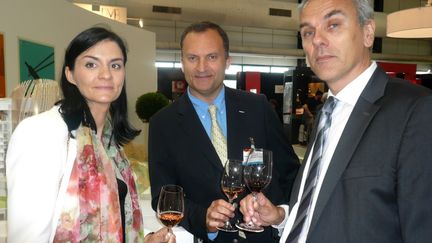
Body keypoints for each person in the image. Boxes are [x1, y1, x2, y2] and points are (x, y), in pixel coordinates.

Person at [239, 0, 432, 242]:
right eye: (308, 32)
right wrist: (280, 216)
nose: (317, 40)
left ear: (368, 33)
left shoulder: (415, 109)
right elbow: (323, 206)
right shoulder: (327, 111)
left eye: (333, 25)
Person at [6, 27, 175, 243]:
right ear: (70, 74)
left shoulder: (109, 144)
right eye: (91, 64)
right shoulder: (41, 134)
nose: (106, 74)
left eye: (115, 65)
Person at [148, 21, 300, 243]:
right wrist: (203, 218)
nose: (201, 67)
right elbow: (162, 196)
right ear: (182, 63)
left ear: (227, 61)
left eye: (211, 57)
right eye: (192, 58)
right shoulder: (164, 123)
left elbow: (291, 175)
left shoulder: (258, 108)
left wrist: (281, 213)